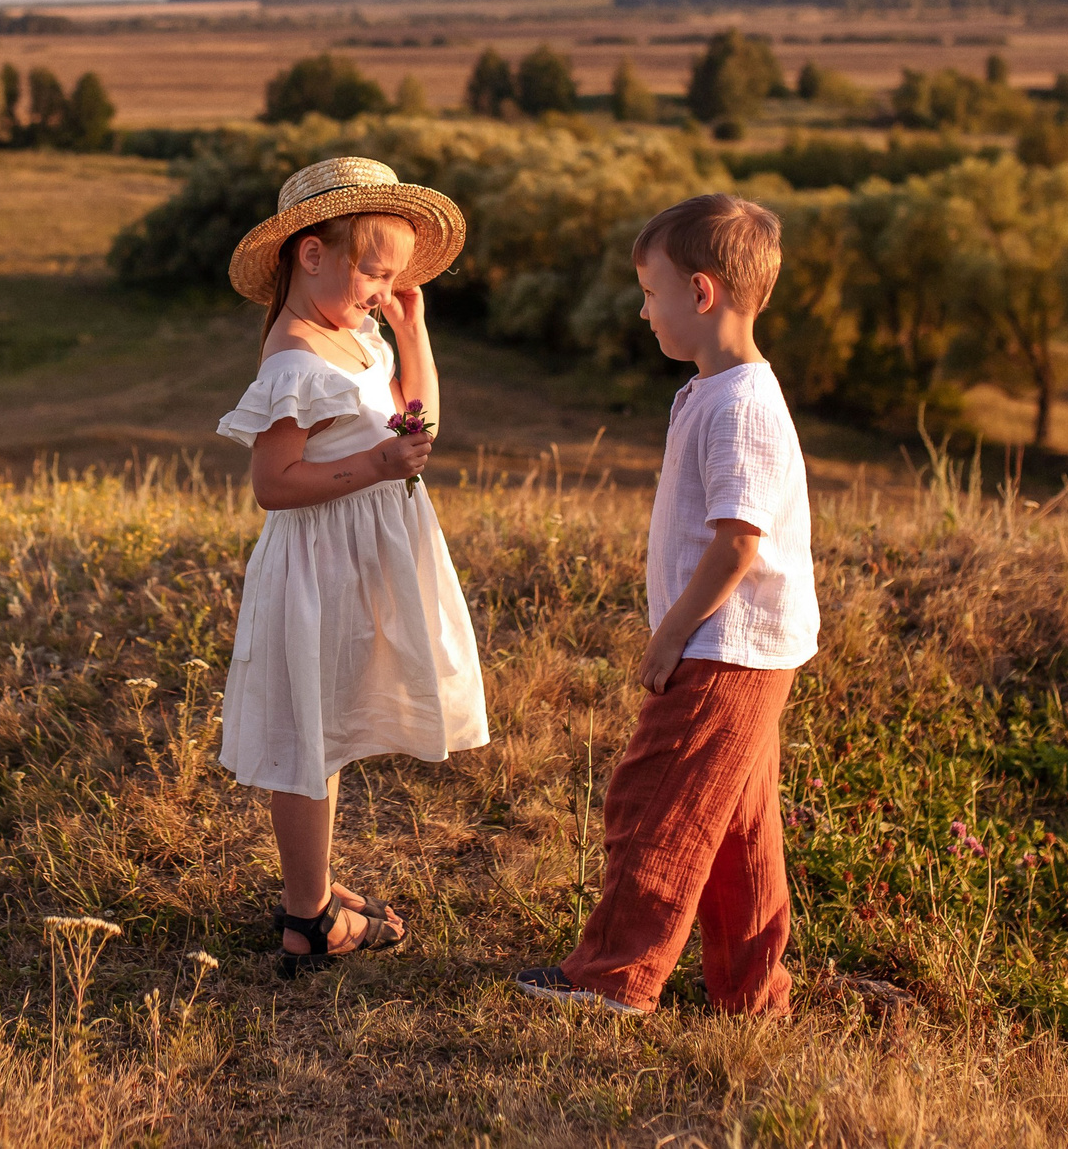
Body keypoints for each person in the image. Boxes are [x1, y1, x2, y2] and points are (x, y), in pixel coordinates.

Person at [515, 192, 818, 1016]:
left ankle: (614, 976)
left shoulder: (740, 404)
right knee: (736, 829)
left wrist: (670, 636)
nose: (643, 311)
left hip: (724, 647)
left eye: (650, 294)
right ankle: (752, 996)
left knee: (653, 803)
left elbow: (737, 542)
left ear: (701, 291)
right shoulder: (715, 391)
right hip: (747, 647)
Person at [216, 156, 491, 978]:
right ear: (311, 256)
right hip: (318, 565)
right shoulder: (296, 358)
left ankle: (319, 892)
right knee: (310, 733)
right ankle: (309, 917)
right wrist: (374, 467)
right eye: (375, 272)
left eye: (394, 277)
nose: (384, 290)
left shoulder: (360, 333)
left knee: (331, 721)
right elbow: (273, 484)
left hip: (368, 554)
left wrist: (413, 336)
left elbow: (418, 426)